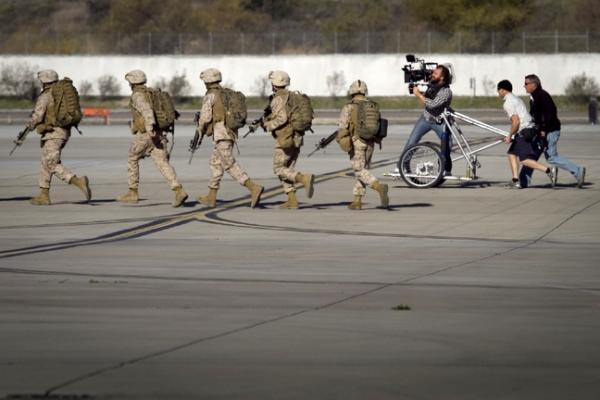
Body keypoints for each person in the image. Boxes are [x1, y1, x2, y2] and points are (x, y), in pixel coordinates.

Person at [117, 69, 188, 207]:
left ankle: (132, 192)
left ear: (132, 82)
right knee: (162, 163)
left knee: (132, 158)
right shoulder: (152, 93)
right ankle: (179, 190)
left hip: (147, 134)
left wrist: (150, 130)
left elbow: (147, 112)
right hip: (159, 133)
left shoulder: (138, 95)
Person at [196, 68, 264, 208]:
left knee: (229, 163)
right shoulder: (225, 93)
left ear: (207, 81)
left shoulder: (211, 95)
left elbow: (205, 118)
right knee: (216, 163)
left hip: (221, 134)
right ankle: (211, 196)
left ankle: (253, 187)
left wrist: (200, 132)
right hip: (228, 133)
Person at [27, 69, 91, 205]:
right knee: (46, 161)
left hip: (53, 133)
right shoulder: (60, 93)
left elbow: (38, 115)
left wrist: (30, 125)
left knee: (51, 163)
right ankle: (44, 195)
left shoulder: (46, 95)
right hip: (62, 132)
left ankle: (77, 181)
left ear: (44, 81)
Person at [521, 74, 586, 188]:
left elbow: (550, 113)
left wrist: (544, 130)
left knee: (551, 157)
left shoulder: (542, 96)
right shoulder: (535, 96)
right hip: (541, 131)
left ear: (534, 85)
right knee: (531, 155)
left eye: (526, 84)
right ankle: (523, 180)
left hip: (550, 131)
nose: (524, 86)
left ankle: (578, 171)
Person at [263, 70, 314, 209]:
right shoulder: (293, 97)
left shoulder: (278, 99)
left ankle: (304, 178)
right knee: (287, 169)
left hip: (285, 137)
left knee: (278, 168)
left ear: (274, 84)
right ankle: (292, 200)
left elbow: (281, 118)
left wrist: (267, 125)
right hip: (297, 137)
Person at [336, 80, 389, 209]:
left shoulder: (349, 107)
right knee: (363, 170)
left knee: (358, 170)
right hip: (371, 141)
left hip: (357, 141)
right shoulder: (373, 106)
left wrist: (341, 140)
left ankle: (379, 187)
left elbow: (343, 127)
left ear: (352, 92)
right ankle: (357, 200)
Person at [496, 79, 554, 189]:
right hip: (528, 129)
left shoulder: (508, 103)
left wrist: (509, 135)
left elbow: (516, 121)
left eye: (498, 90)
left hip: (525, 131)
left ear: (503, 90)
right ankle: (515, 180)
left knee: (524, 160)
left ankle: (548, 170)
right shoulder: (517, 98)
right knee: (511, 154)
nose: (498, 92)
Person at [398, 64, 453, 175]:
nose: (432, 74)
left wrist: (418, 94)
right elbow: (428, 95)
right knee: (412, 141)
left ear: (442, 77)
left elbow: (433, 104)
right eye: (433, 72)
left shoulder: (446, 91)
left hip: (440, 121)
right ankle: (402, 166)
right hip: (426, 118)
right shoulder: (432, 84)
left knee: (448, 145)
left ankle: (444, 169)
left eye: (435, 73)